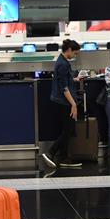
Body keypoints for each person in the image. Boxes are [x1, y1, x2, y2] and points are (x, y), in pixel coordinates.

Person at [41, 39, 82, 169]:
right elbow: (64, 87)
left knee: (66, 130)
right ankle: (50, 152)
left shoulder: (61, 61)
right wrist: (73, 104)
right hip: (64, 102)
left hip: (60, 101)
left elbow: (63, 80)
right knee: (68, 130)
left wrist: (75, 79)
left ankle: (65, 159)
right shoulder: (63, 64)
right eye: (75, 53)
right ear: (69, 50)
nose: (75, 55)